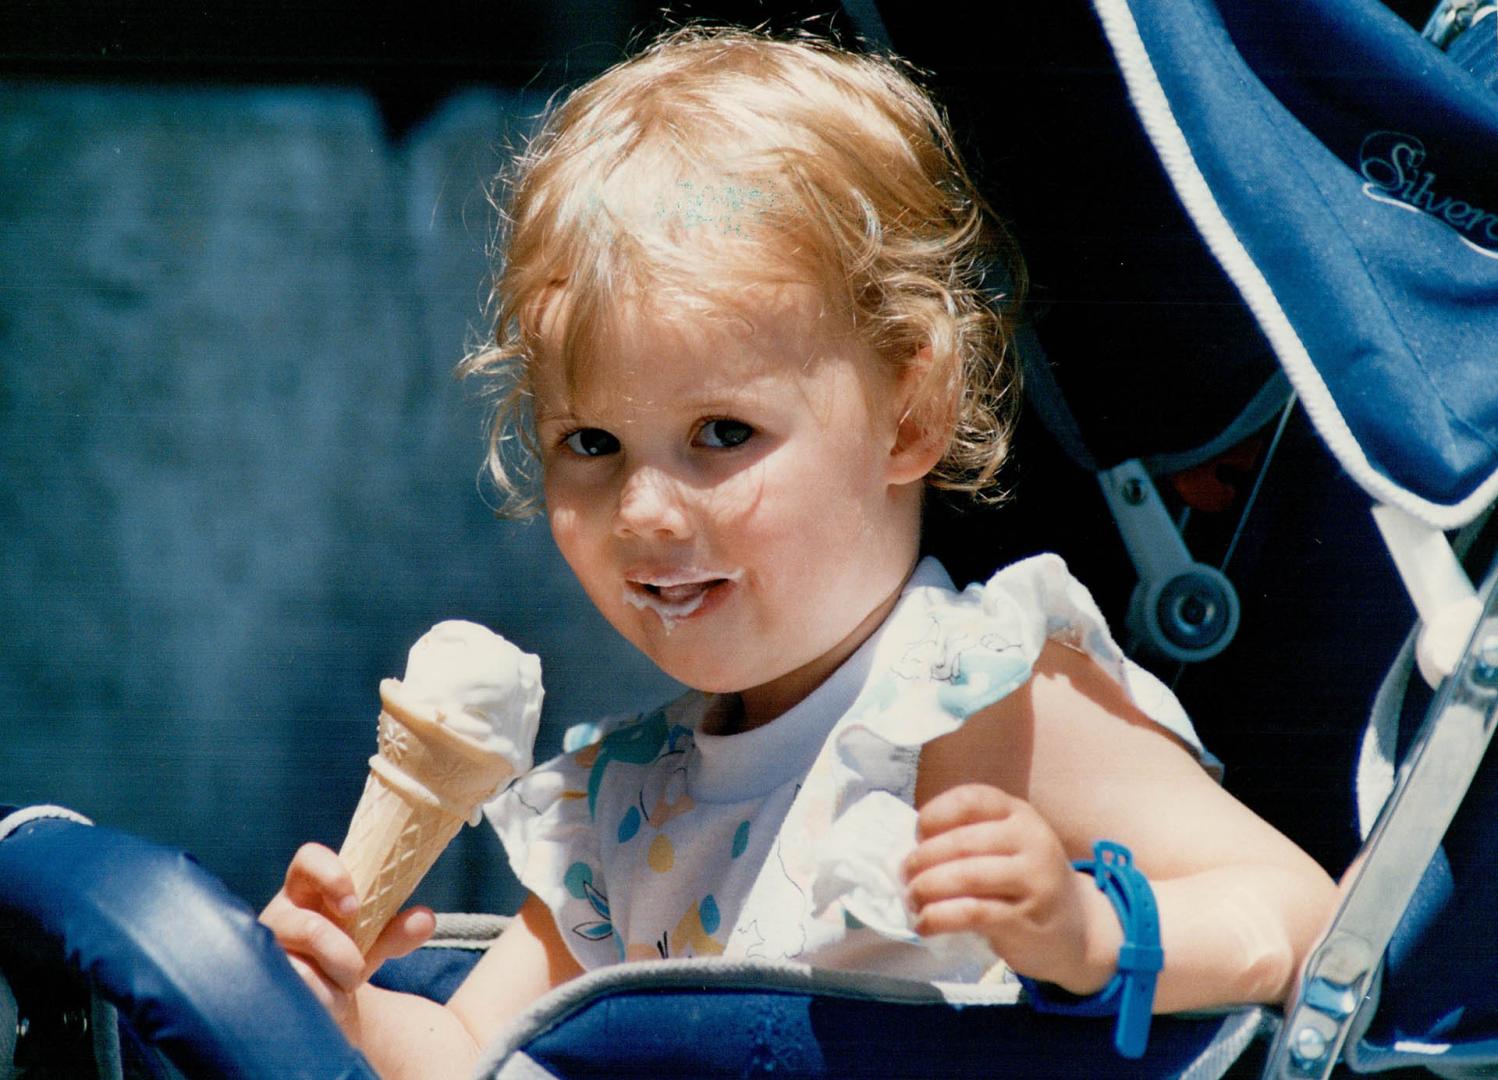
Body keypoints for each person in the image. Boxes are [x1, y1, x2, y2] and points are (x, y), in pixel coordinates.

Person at [260, 25, 1337, 1077]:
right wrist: (335, 1008)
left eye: (722, 434)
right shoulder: (623, 801)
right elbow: (466, 1054)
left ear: (909, 417)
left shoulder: (980, 704)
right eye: (590, 442)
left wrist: (1093, 932)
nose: (644, 511)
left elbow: (1307, 923)